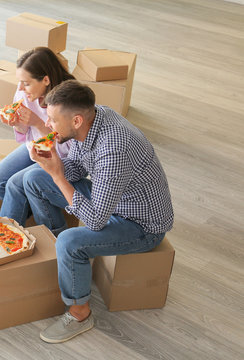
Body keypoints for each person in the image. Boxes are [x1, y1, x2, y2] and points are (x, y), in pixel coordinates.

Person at [23, 80, 173, 343]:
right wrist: (53, 165)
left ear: (77, 120)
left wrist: (58, 176)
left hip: (140, 223)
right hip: (115, 199)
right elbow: (79, 169)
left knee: (72, 241)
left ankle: (80, 313)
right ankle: (63, 257)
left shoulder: (114, 149)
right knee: (35, 177)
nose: (47, 125)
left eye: (52, 120)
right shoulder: (94, 117)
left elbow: (94, 220)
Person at [0, 47, 75, 226]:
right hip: (33, 147)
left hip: (61, 157)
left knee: (14, 185)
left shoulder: (68, 101)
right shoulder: (24, 93)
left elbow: (70, 151)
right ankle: (35, 204)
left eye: (26, 83)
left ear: (45, 80)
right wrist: (18, 124)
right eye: (20, 82)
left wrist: (37, 123)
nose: (20, 88)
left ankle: (10, 236)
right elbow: (24, 136)